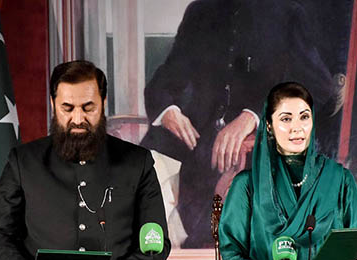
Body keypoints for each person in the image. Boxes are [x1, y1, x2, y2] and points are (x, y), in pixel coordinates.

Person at [141, 0, 343, 247]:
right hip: (198, 138)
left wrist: (254, 116)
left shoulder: (287, 13)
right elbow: (166, 77)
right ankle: (164, 259)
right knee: (148, 164)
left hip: (255, 142)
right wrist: (168, 110)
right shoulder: (200, 12)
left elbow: (317, 86)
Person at [0, 60, 170, 260]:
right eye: (67, 108)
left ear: (103, 104)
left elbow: (156, 242)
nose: (78, 118)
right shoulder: (24, 161)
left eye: (88, 107)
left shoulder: (138, 162)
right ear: (53, 104)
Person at [218, 82, 357, 260]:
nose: (297, 128)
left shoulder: (339, 180)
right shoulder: (247, 185)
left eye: (304, 117)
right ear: (269, 125)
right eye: (286, 119)